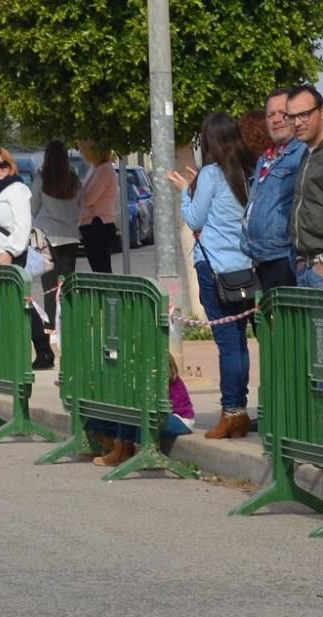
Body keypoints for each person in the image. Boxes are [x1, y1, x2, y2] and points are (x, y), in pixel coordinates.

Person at [167, 112, 256, 439]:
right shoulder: (247, 172)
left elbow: (195, 218)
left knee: (228, 344)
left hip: (215, 269)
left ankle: (231, 411)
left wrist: (185, 192)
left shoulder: (211, 175)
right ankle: (240, 410)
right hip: (245, 270)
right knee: (241, 344)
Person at [0, 146, 54, 370]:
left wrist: (9, 252)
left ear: (11, 166)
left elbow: (23, 224)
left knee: (15, 307)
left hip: (8, 257)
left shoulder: (17, 190)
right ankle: (0, 354)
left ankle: (41, 351)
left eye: (3, 165)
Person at [243, 89, 306, 291]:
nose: (276, 120)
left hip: (285, 259)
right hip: (260, 260)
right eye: (271, 115)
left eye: (283, 113)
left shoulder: (303, 153)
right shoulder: (265, 159)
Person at [91, 355, 195, 466]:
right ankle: (122, 449)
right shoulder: (150, 380)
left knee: (146, 414)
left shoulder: (166, 381)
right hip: (165, 417)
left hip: (181, 421)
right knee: (131, 410)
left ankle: (138, 451)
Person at [31, 140, 82, 330]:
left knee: (49, 285)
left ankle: (52, 323)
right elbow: (80, 205)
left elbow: (33, 206)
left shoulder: (42, 179)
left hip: (47, 237)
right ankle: (69, 321)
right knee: (67, 283)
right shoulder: (73, 180)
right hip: (70, 236)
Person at [287, 85, 323, 289]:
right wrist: (301, 262)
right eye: (292, 117)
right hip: (305, 268)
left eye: (304, 114)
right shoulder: (307, 153)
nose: (297, 122)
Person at [78, 140, 119, 273]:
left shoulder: (104, 169)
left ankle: (106, 293)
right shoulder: (95, 168)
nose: (81, 153)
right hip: (90, 223)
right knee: (98, 267)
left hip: (98, 223)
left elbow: (89, 198)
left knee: (101, 267)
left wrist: (79, 191)